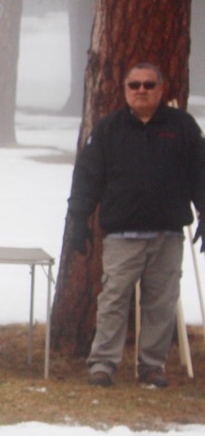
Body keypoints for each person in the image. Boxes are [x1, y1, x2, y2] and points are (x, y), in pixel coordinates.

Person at [64, 62, 205, 389]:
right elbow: (86, 178)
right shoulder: (108, 129)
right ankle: (102, 365)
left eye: (149, 85)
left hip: (168, 235)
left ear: (161, 88)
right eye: (135, 85)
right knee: (113, 301)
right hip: (121, 236)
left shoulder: (182, 127)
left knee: (161, 303)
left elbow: (201, 174)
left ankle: (152, 367)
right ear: (125, 90)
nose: (141, 90)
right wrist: (78, 220)